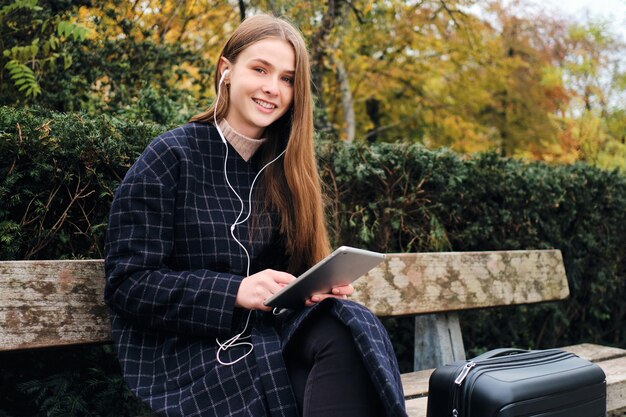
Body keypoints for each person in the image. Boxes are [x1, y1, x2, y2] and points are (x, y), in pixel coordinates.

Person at [104, 13, 407, 417]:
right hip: (187, 359)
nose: (272, 88)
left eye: (287, 78)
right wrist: (233, 292)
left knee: (346, 322)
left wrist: (311, 289)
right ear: (226, 71)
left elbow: (284, 281)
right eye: (260, 69)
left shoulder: (286, 169)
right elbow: (128, 284)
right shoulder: (170, 156)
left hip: (266, 342)